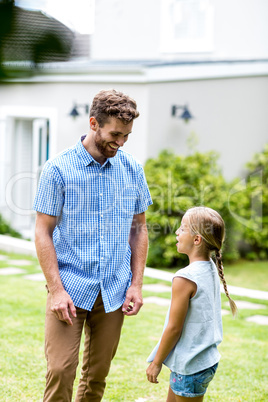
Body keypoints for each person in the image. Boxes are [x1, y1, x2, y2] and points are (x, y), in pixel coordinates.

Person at [33, 89, 152, 402]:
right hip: (69, 287)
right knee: (60, 369)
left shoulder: (132, 169)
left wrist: (136, 285)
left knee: (97, 376)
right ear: (93, 123)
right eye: (115, 134)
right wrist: (56, 290)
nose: (121, 142)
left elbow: (139, 230)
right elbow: (42, 232)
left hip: (114, 289)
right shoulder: (57, 169)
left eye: (127, 135)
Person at [146, 206, 237, 401]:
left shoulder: (185, 278)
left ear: (197, 240)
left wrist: (156, 362)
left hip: (191, 366)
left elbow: (174, 328)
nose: (177, 232)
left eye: (183, 228)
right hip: (202, 361)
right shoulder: (210, 267)